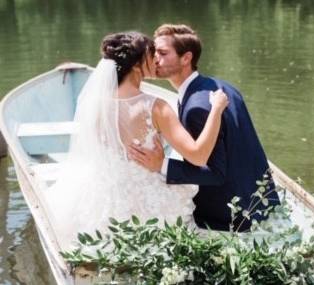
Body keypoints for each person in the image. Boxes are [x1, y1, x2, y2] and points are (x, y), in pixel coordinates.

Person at [42, 31, 228, 250]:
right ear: (139, 63)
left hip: (105, 195)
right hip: (146, 197)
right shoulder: (156, 107)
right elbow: (198, 155)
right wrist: (216, 109)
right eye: (152, 54)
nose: (157, 59)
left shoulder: (94, 106)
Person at [129, 24, 280, 232]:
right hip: (261, 200)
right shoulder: (223, 86)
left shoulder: (197, 107)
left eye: (163, 53)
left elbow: (214, 174)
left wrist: (162, 165)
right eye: (154, 53)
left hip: (231, 215)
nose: (155, 59)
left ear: (186, 58)